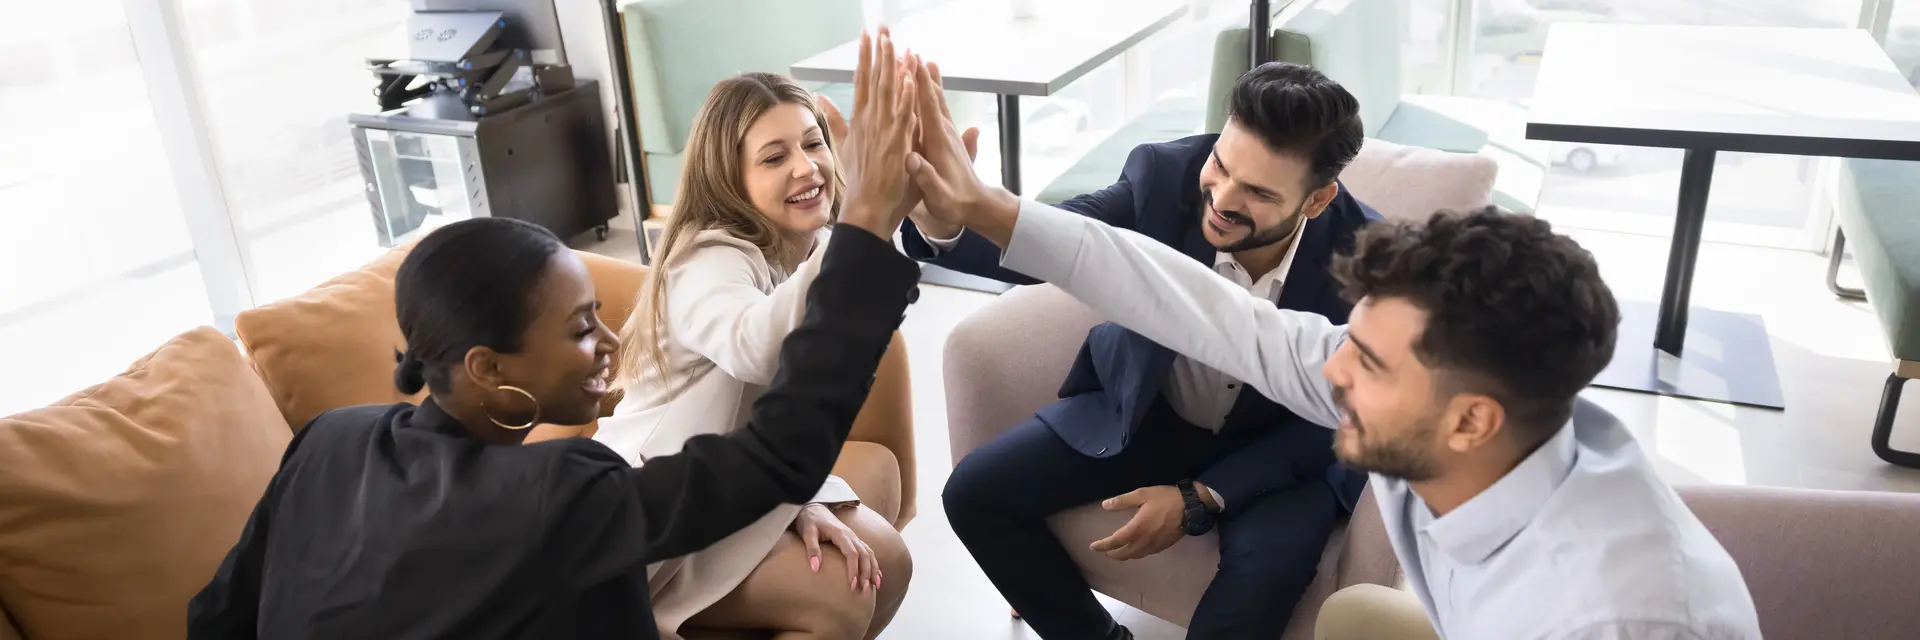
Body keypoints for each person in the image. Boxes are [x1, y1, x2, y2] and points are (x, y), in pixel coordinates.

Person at [900, 62, 1764, 638]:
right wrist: (974, 208)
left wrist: (1203, 496)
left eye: (1368, 364)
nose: (1329, 371)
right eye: (1349, 342)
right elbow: (1191, 304)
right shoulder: (1472, 430)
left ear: (1471, 421)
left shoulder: (1613, 614)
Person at [185, 31, 926, 640]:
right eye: (579, 327)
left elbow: (216, 618)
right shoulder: (557, 494)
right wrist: (864, 225)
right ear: (488, 366)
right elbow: (779, 450)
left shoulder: (329, 438)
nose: (612, 341)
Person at [907, 61, 1380, 639]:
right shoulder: (1162, 175)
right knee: (973, 494)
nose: (1222, 198)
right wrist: (945, 220)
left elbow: (1347, 414)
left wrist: (1202, 496)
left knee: (1267, 571)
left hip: (1278, 447)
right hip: (1150, 414)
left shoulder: (1370, 259)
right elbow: (1053, 240)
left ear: (1317, 199)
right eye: (1221, 165)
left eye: (1257, 192)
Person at [591, 62, 914, 639]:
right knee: (840, 595)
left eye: (813, 143)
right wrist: (859, 228)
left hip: (735, 478)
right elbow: (759, 350)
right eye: (774, 157)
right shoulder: (706, 258)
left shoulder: (807, 246)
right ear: (728, 180)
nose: (806, 166)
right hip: (659, 507)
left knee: (888, 562)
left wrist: (793, 503)